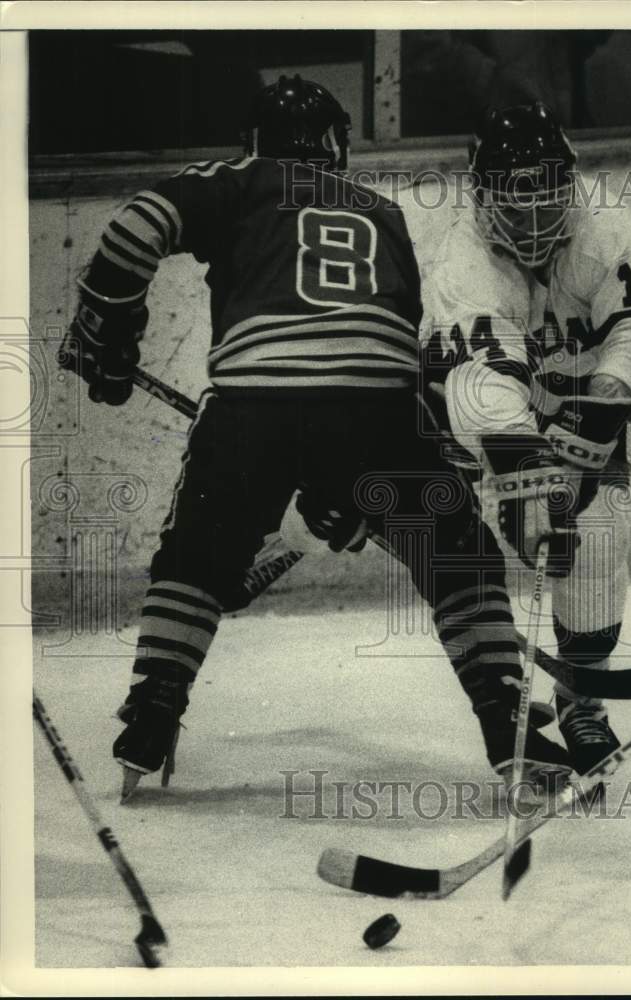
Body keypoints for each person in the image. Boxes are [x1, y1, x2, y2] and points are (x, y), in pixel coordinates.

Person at [60, 77, 572, 802]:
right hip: (379, 413)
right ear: (336, 145)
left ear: (255, 141)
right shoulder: (382, 212)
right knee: (459, 556)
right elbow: (394, 356)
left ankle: (150, 715)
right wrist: (360, 490)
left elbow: (138, 224)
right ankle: (510, 726)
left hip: (250, 410)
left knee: (198, 559)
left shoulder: (238, 180)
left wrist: (108, 329)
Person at [420, 101, 631, 774]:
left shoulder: (604, 227)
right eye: (517, 203)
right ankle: (500, 693)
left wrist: (591, 424)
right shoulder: (463, 256)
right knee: (443, 532)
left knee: (593, 541)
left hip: (575, 396)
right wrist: (525, 471)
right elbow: (482, 375)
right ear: (482, 198)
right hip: (477, 410)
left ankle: (580, 702)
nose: (536, 221)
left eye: (547, 199)